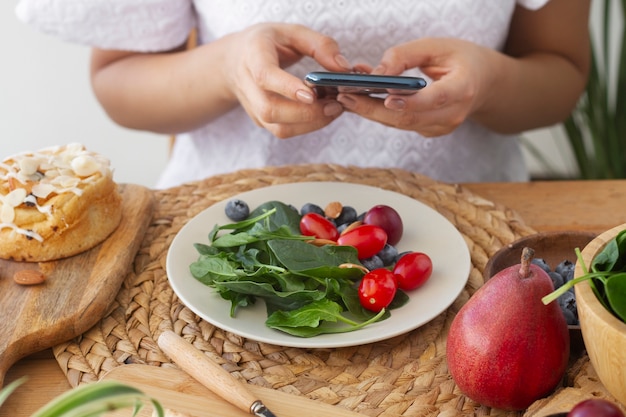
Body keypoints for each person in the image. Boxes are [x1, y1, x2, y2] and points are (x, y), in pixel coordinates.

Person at [15, 0, 590, 189]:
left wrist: (490, 83)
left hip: (470, 232)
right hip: (221, 234)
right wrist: (226, 68)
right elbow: (118, 80)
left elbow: (560, 73)